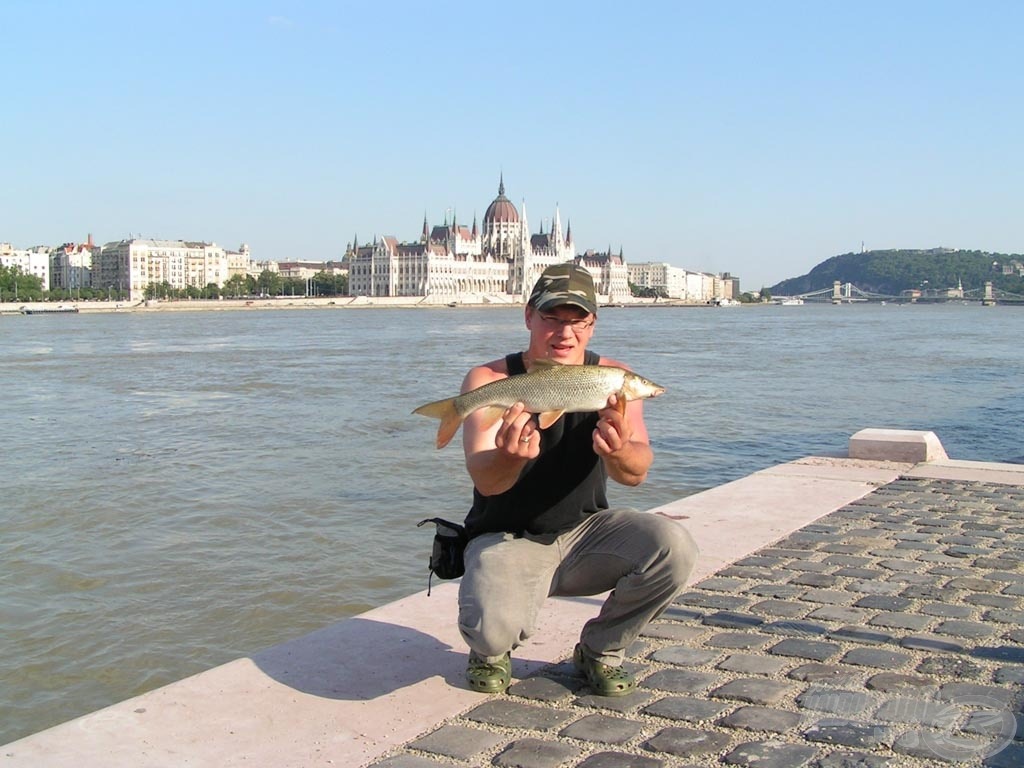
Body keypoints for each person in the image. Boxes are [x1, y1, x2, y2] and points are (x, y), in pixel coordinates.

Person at [456, 262, 698, 696]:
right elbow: (487, 482)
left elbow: (636, 473)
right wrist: (510, 459)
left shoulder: (613, 378)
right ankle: (490, 649)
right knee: (492, 632)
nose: (565, 333)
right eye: (552, 318)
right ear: (528, 315)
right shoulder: (488, 380)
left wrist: (620, 448)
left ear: (592, 324)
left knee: (673, 546)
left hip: (587, 535)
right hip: (510, 536)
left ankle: (600, 649)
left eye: (578, 321)